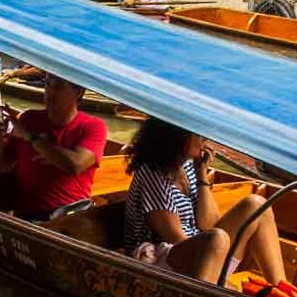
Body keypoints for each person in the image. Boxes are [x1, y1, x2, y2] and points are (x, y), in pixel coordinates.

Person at [121, 118, 287, 284]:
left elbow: (208, 224)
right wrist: (212, 248)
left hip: (199, 254)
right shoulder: (152, 172)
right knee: (216, 238)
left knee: (257, 206)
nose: (205, 139)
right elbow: (175, 238)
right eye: (198, 133)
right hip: (158, 260)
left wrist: (201, 175)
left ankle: (282, 291)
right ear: (177, 136)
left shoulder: (186, 167)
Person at [0, 74, 107, 221]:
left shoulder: (92, 126)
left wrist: (30, 136)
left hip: (70, 215)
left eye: (58, 86)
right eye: (47, 85)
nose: (50, 92)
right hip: (29, 217)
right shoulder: (29, 118)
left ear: (78, 92)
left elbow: (75, 165)